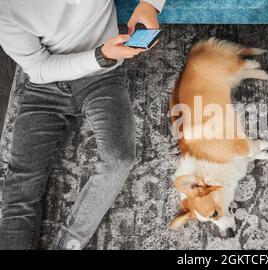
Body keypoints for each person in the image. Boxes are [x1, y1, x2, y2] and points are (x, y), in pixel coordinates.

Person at [0, 0, 165, 250]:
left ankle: (67, 244)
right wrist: (100, 55)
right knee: (20, 187)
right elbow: (38, 66)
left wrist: (150, 4)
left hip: (104, 78)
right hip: (47, 83)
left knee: (118, 159)